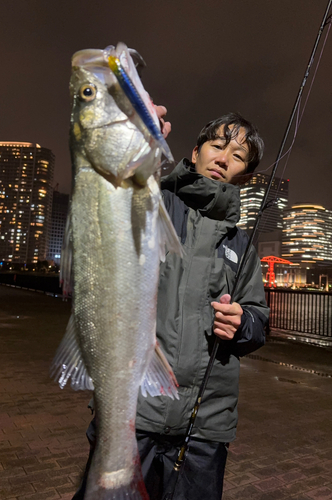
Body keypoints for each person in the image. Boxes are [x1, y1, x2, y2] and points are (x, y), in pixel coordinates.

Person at [74, 109, 269, 500]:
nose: (223, 158)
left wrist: (242, 322)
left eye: (237, 156)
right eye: (216, 146)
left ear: (242, 174)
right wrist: (132, 141)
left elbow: (259, 321)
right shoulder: (150, 202)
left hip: (205, 427)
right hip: (135, 414)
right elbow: (104, 204)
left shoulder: (241, 243)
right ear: (195, 152)